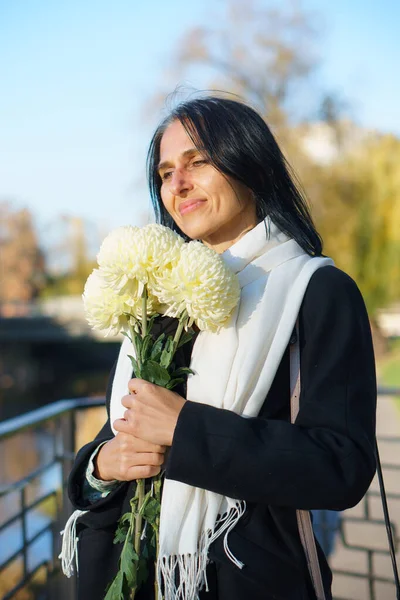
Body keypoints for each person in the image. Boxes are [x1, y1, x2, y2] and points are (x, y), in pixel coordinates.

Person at [64, 95, 377, 600]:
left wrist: (187, 430)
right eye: (166, 173)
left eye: (198, 162)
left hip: (242, 579)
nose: (178, 185)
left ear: (248, 161)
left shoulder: (314, 291)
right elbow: (118, 433)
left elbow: (341, 466)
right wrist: (101, 467)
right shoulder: (157, 300)